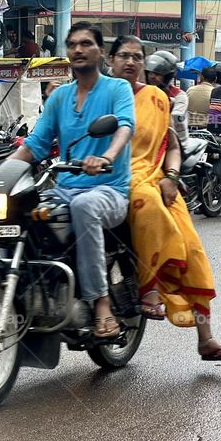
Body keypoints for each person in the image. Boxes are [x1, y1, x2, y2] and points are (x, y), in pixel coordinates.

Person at [109, 35, 221, 361]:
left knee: (192, 247)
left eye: (136, 57)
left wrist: (172, 177)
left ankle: (206, 337)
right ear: (109, 61)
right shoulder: (94, 95)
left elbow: (173, 146)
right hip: (106, 181)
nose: (130, 63)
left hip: (154, 179)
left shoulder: (156, 98)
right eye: (122, 56)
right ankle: (147, 286)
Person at [11, 22, 134, 339]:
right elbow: (36, 144)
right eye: (73, 44)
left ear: (100, 52)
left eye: (86, 44)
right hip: (64, 189)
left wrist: (106, 157)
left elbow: (123, 127)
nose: (78, 49)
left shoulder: (117, 89)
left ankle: (101, 303)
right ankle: (30, 292)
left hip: (110, 190)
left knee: (84, 206)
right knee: (20, 209)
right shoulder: (59, 97)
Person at [144, 51, 189, 146]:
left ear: (167, 75)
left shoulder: (179, 96)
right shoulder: (143, 92)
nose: (152, 76)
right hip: (145, 140)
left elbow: (176, 117)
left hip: (172, 143)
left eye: (157, 74)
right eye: (150, 73)